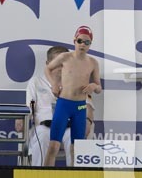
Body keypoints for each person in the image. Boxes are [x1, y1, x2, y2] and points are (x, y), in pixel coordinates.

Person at [15, 46, 95, 166]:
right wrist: (22, 118)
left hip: (69, 125)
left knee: (74, 139)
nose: (61, 66)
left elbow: (87, 106)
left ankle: (75, 176)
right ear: (48, 64)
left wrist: (87, 120)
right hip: (44, 126)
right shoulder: (36, 82)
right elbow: (29, 107)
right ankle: (40, 175)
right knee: (42, 137)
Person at [43, 25, 102, 166]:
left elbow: (99, 88)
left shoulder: (93, 63)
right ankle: (45, 175)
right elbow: (48, 69)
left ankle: (74, 176)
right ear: (74, 41)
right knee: (53, 146)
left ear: (90, 44)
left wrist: (94, 86)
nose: (83, 44)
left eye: (87, 42)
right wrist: (54, 84)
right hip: (64, 104)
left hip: (80, 107)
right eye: (80, 41)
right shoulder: (65, 57)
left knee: (77, 148)